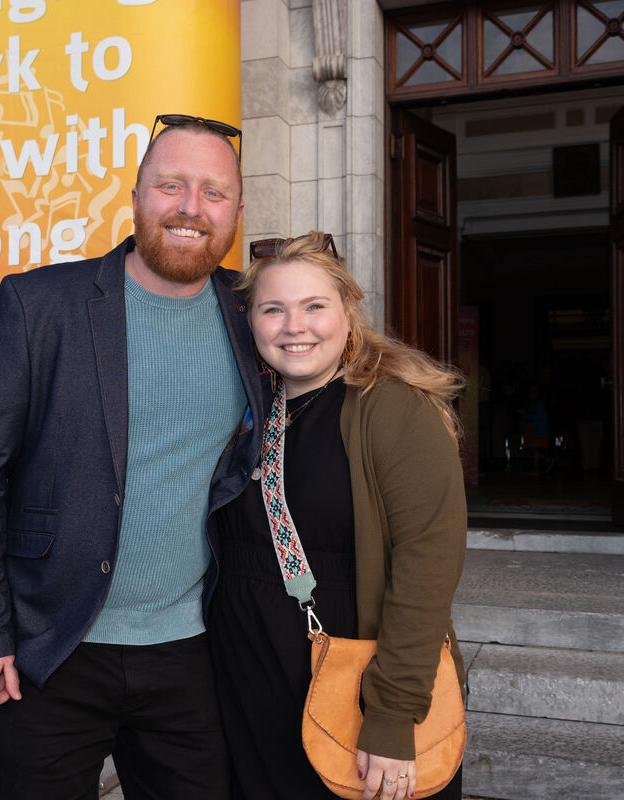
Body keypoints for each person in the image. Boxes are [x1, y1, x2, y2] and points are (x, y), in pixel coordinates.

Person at [0, 114, 266, 800]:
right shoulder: (39, 304)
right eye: (170, 185)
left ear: (237, 210)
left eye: (214, 192)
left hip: (195, 652)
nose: (190, 208)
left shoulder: (254, 314)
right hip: (49, 649)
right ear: (137, 195)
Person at [208, 231, 467, 800]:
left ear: (348, 313)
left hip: (351, 682)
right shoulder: (254, 409)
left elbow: (427, 566)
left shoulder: (393, 406)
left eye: (314, 306)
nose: (293, 326)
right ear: (250, 322)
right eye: (272, 309)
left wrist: (393, 714)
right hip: (250, 682)